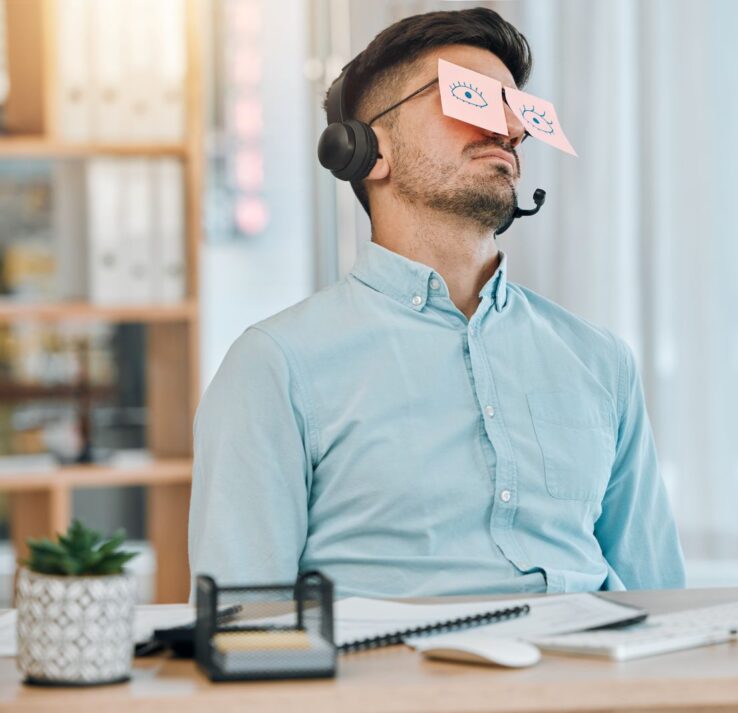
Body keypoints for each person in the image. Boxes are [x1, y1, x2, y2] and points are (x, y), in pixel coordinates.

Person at [188, 7, 686, 597]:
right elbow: (246, 624)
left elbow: (661, 600)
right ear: (366, 150)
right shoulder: (276, 367)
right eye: (470, 99)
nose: (510, 129)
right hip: (398, 681)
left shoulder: (602, 362)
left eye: (518, 110)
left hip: (587, 676)